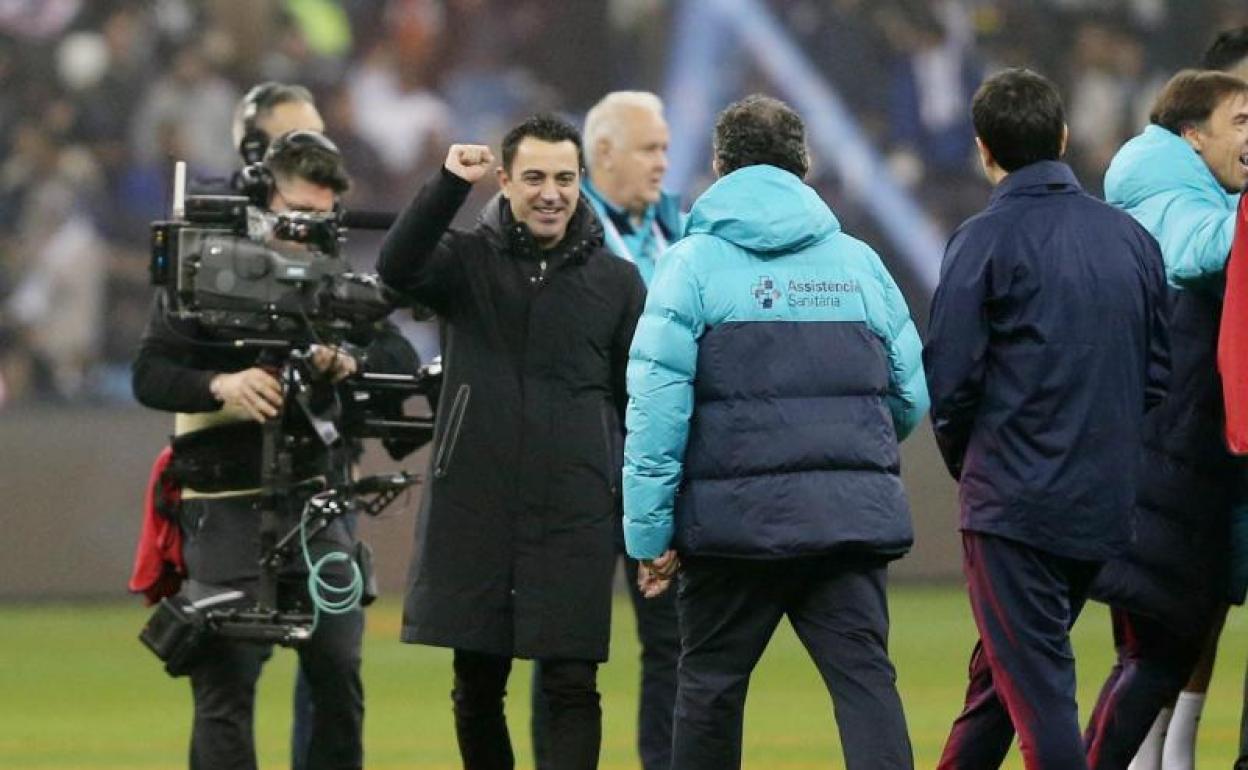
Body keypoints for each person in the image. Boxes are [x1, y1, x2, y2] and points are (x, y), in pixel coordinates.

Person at [623, 93, 928, 770]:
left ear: (719, 165)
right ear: (804, 165)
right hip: (844, 523)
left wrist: (649, 534)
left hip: (731, 529)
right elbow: (910, 395)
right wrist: (848, 455)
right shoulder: (859, 263)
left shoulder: (689, 266)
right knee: (865, 685)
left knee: (708, 691)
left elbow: (655, 409)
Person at [377, 114, 646, 770]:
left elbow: (637, 404)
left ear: (582, 184)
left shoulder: (617, 283)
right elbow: (397, 264)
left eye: (564, 178)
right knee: (476, 686)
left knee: (572, 685)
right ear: (503, 181)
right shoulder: (464, 263)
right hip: (477, 506)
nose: (549, 192)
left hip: (575, 512)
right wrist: (445, 186)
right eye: (533, 177)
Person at [924, 68, 1169, 770]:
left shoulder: (982, 241)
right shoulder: (1131, 240)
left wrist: (975, 468)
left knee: (1038, 695)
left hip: (1015, 507)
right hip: (1101, 508)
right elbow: (1157, 374)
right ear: (1063, 137)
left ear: (982, 149)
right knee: (1000, 684)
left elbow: (951, 384)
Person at [132, 132, 395, 770]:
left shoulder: (332, 279)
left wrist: (346, 361)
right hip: (223, 504)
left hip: (313, 502)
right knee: (225, 686)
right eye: (296, 212)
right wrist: (222, 384)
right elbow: (151, 374)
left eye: (319, 218)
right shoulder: (204, 270)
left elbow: (393, 355)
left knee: (338, 669)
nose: (305, 231)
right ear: (262, 197)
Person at [1079, 69, 1248, 770]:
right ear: (1192, 134)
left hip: (1170, 467)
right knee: (1156, 649)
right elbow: (1205, 249)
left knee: (1158, 648)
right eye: (1240, 121)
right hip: (1167, 470)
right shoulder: (1165, 196)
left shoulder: (1180, 187)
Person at [529, 90, 684, 770]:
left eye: (665, 148)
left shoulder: (681, 233)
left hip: (663, 468)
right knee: (565, 644)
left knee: (674, 642)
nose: (662, 163)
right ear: (601, 155)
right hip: (580, 465)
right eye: (650, 148)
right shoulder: (555, 232)